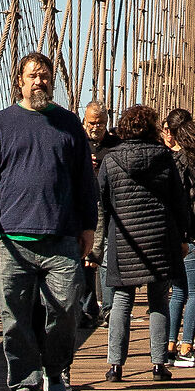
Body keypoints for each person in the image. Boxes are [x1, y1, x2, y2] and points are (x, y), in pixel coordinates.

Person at [0, 52, 98, 391]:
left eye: (46, 75)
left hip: (62, 235)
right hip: (13, 237)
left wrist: (89, 227)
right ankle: (23, 382)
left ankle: (55, 367)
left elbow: (84, 180)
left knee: (66, 311)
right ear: (19, 80)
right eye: (33, 75)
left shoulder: (69, 124)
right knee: (15, 318)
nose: (40, 81)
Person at [97, 102, 195, 382]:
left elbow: (102, 202)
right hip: (159, 239)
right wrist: (184, 237)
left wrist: (99, 240)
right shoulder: (164, 157)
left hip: (124, 239)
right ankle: (158, 364)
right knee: (158, 301)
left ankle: (115, 366)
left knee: (121, 301)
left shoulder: (111, 160)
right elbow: (179, 200)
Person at [161, 107, 195, 365]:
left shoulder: (171, 160)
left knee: (179, 291)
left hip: (174, 231)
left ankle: (170, 345)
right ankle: (186, 348)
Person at [80, 98, 118, 324]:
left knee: (106, 255)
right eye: (91, 123)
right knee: (84, 255)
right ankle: (87, 308)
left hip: (110, 206)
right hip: (85, 205)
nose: (95, 128)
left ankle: (109, 309)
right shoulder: (77, 143)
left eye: (100, 123)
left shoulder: (116, 144)